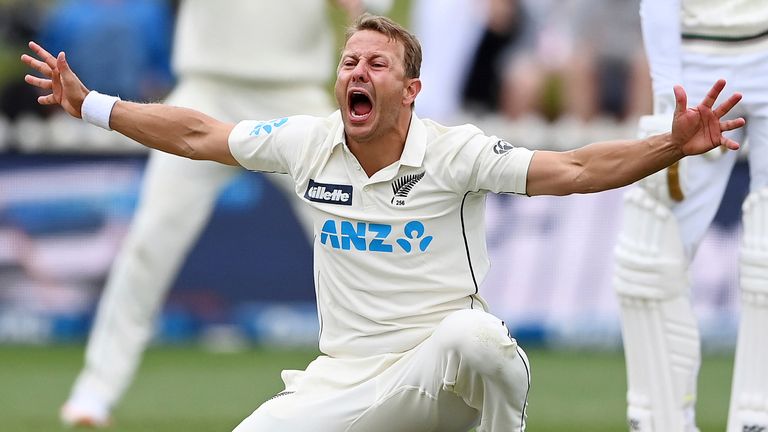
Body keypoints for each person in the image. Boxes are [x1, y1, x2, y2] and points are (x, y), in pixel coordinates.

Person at [22, 13, 744, 432]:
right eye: (348, 62)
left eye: (376, 63)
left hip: (443, 373)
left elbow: (578, 170)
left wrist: (671, 145)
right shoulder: (306, 142)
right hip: (345, 381)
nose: (356, 72)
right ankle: (94, 393)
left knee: (475, 337)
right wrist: (92, 104)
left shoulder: (455, 152)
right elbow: (197, 135)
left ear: (411, 89)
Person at [53, 0, 391, 427]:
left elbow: (373, 12)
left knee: (356, 238)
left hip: (294, 94)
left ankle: (396, 370)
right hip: (206, 92)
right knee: (150, 241)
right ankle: (94, 393)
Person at [611, 0, 768, 431]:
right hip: (699, 53)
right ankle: (661, 419)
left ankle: (759, 416)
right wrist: (667, 91)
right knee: (649, 249)